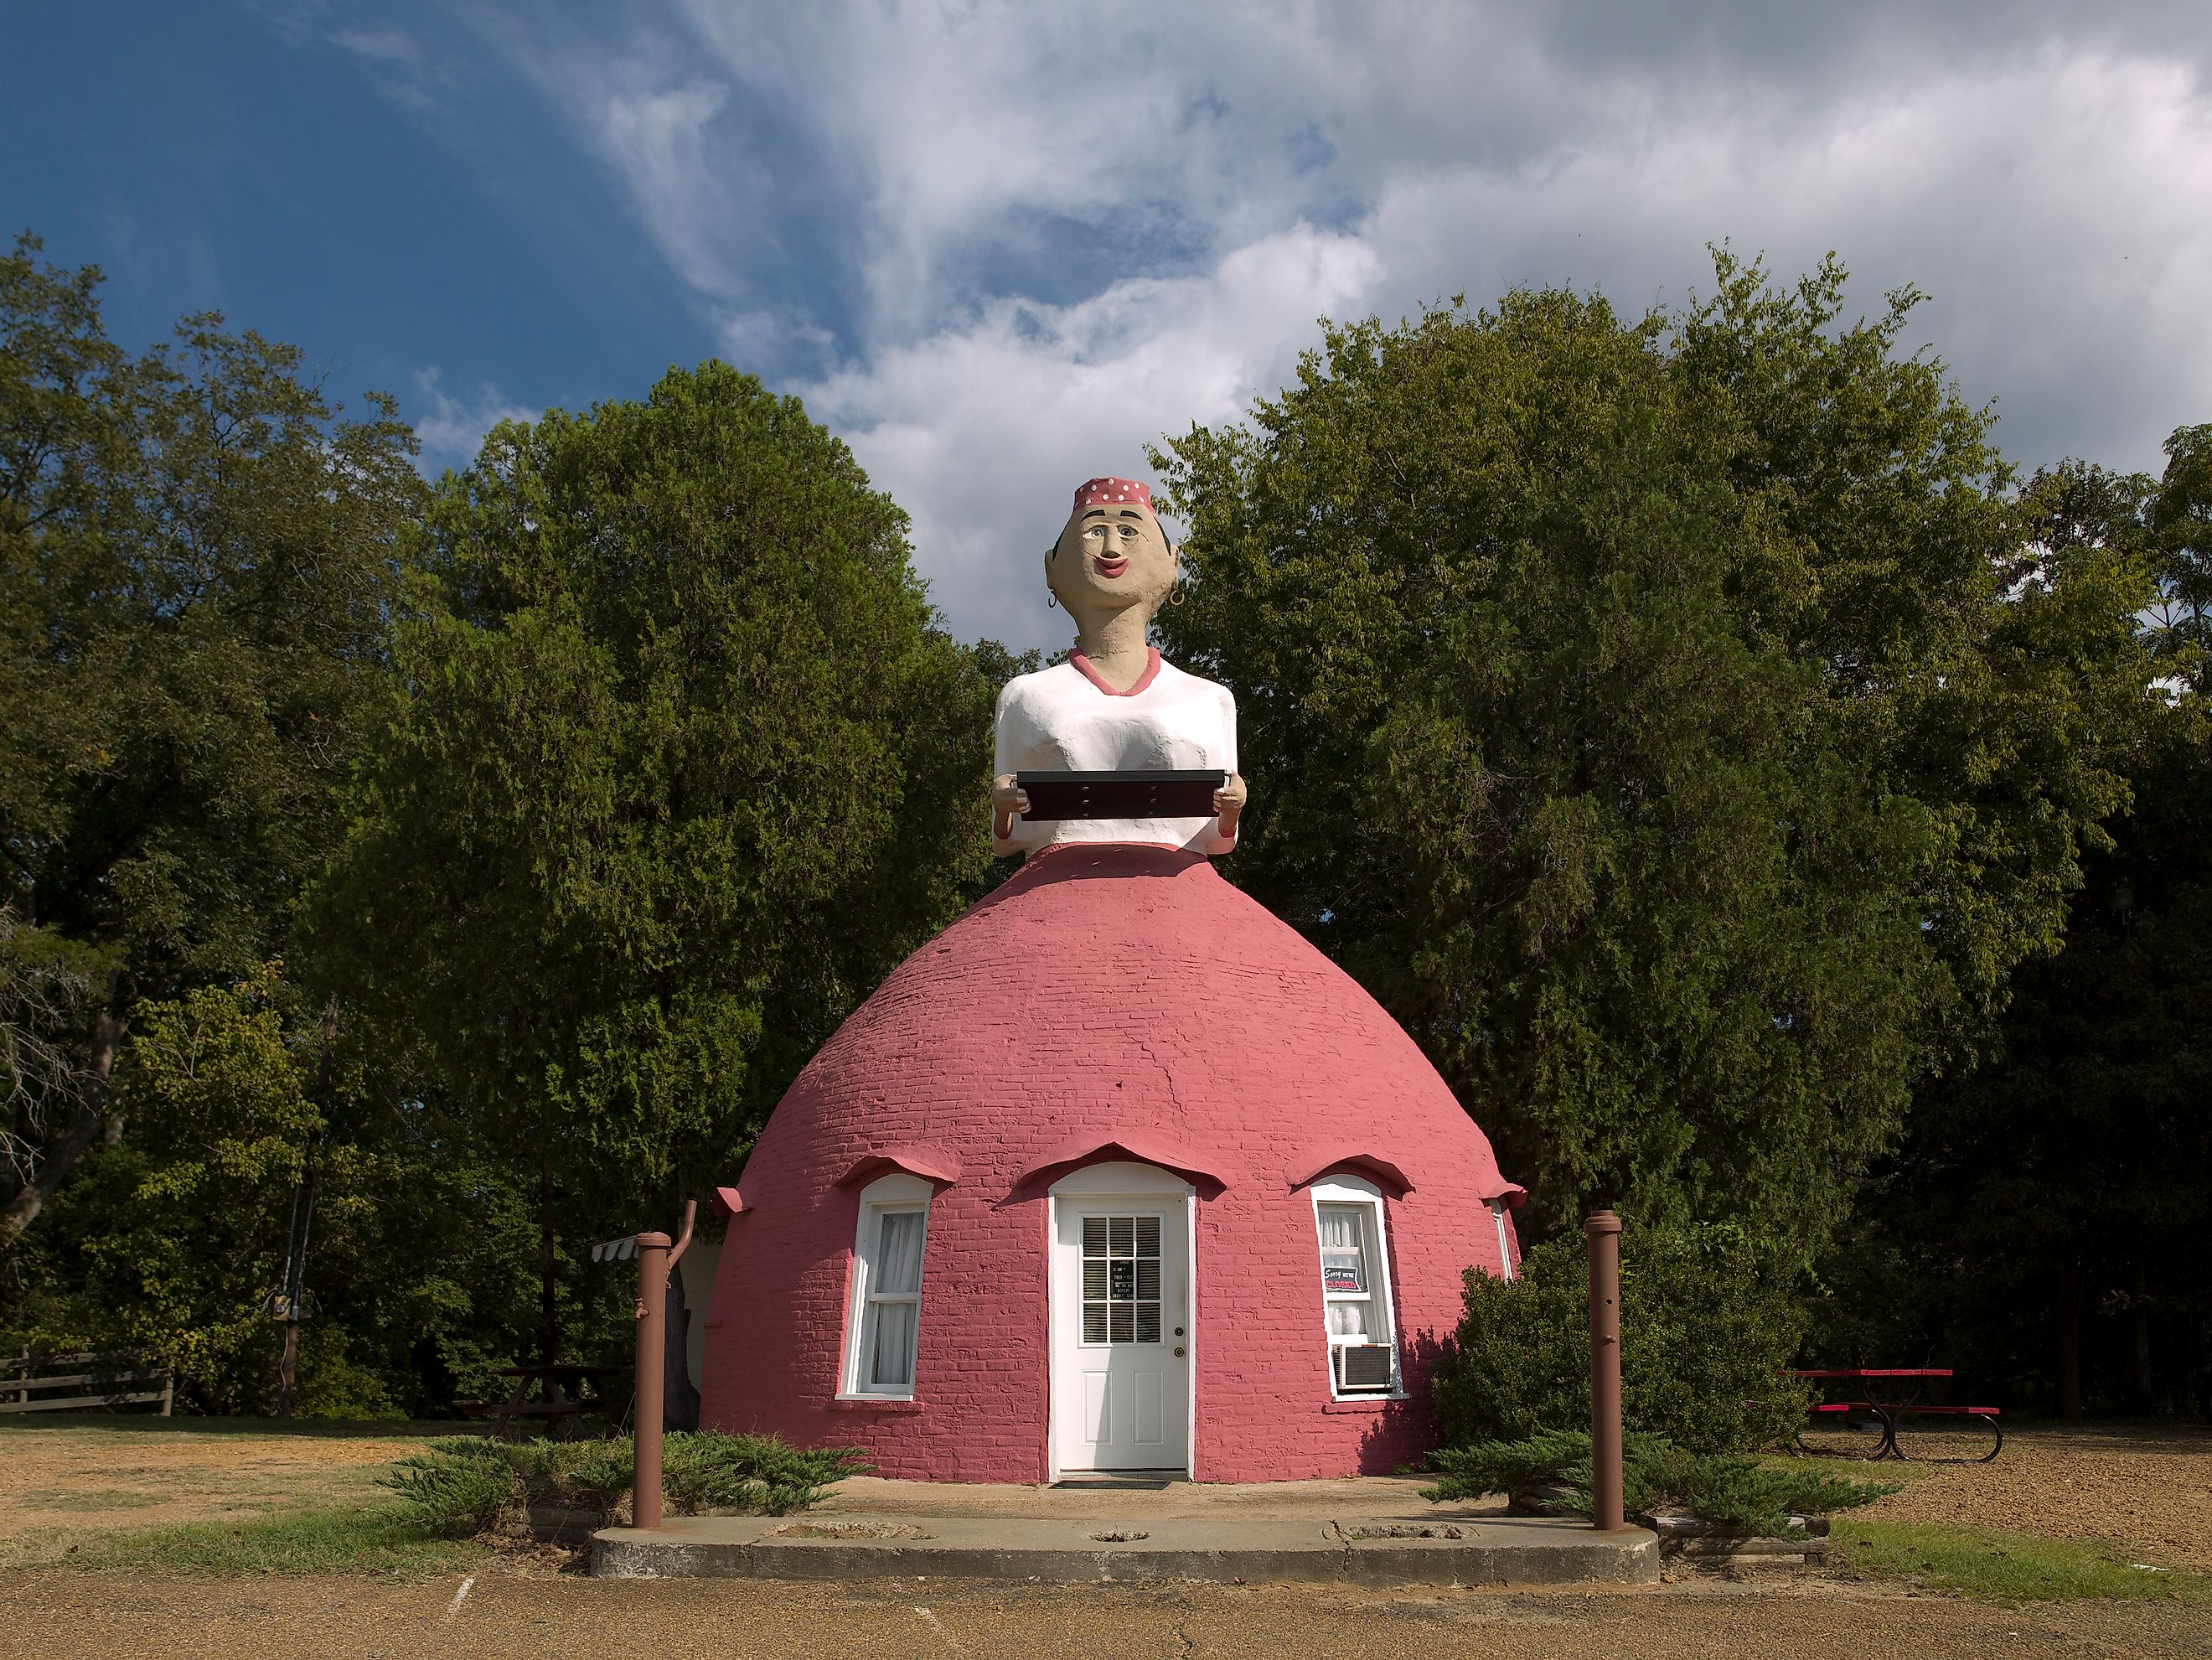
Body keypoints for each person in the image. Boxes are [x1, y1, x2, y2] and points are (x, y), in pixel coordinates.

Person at [991, 477, 1248, 859]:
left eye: (1129, 531)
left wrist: (1232, 805)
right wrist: (1003, 805)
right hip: (1053, 891)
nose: (1111, 549)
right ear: (1052, 568)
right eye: (1094, 532)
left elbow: (1220, 839)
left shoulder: (1211, 699)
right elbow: (1006, 841)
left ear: (1172, 563)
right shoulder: (1025, 696)